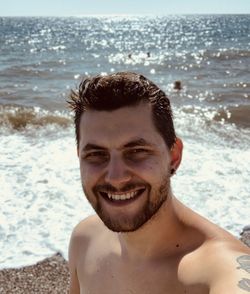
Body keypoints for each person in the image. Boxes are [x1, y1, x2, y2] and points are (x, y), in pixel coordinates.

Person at [67, 72, 250, 294]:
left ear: (174, 156)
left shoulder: (222, 272)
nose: (115, 177)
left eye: (137, 151)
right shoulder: (85, 240)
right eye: (96, 155)